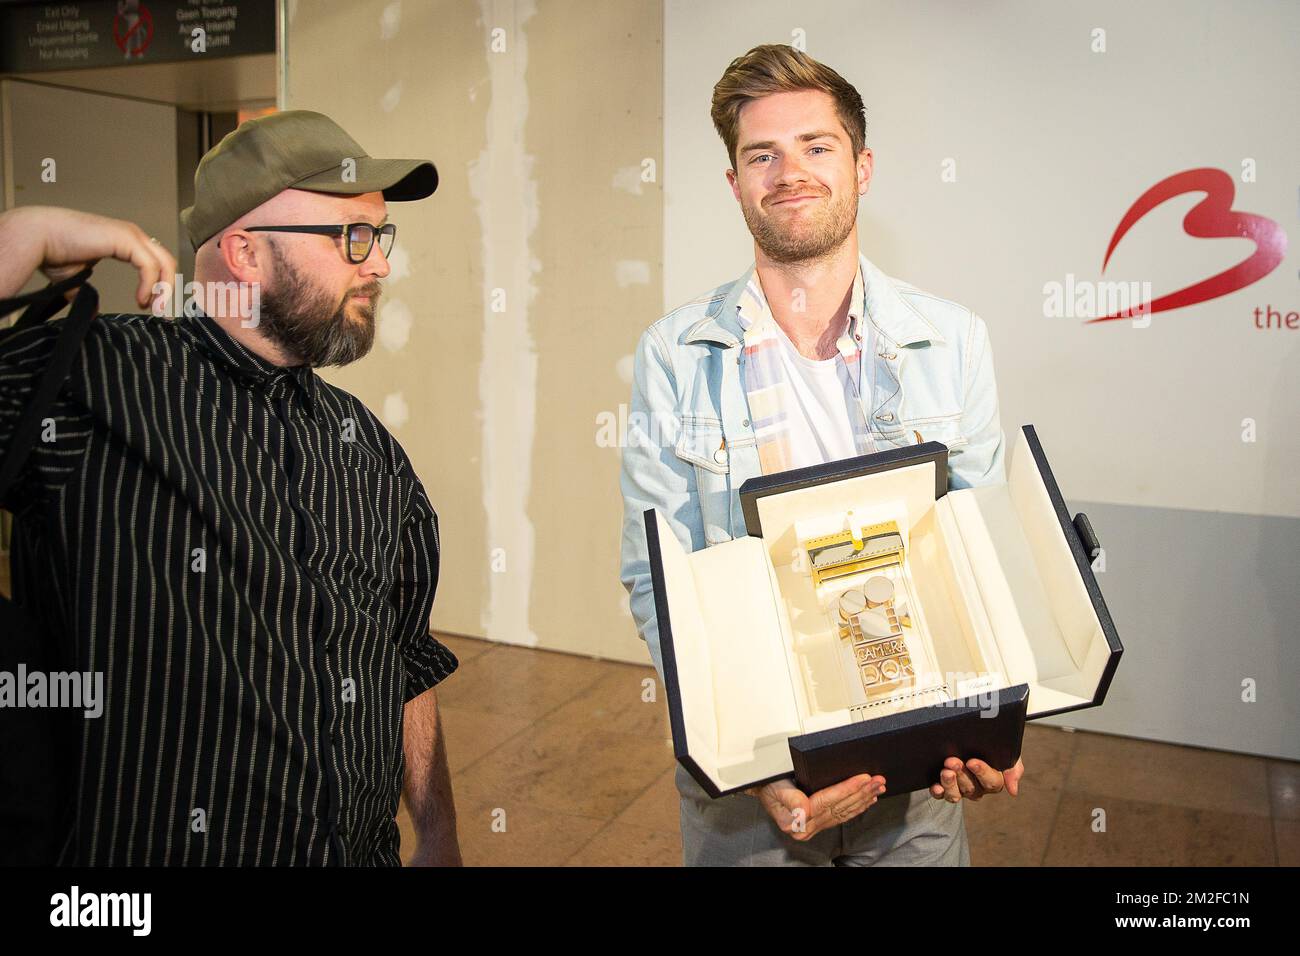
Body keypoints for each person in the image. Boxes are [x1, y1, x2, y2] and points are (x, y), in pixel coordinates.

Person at [0, 110, 460, 866]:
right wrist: (23, 236)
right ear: (245, 252)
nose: (378, 265)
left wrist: (438, 833)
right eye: (352, 236)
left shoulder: (369, 449)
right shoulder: (92, 380)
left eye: (382, 237)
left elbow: (407, 657)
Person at [619, 45, 1024, 866]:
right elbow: (654, 576)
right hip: (748, 770)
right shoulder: (673, 353)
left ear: (862, 166)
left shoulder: (952, 340)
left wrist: (988, 717)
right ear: (734, 183)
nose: (788, 172)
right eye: (760, 154)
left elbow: (979, 550)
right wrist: (750, 761)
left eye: (816, 146)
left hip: (917, 764)